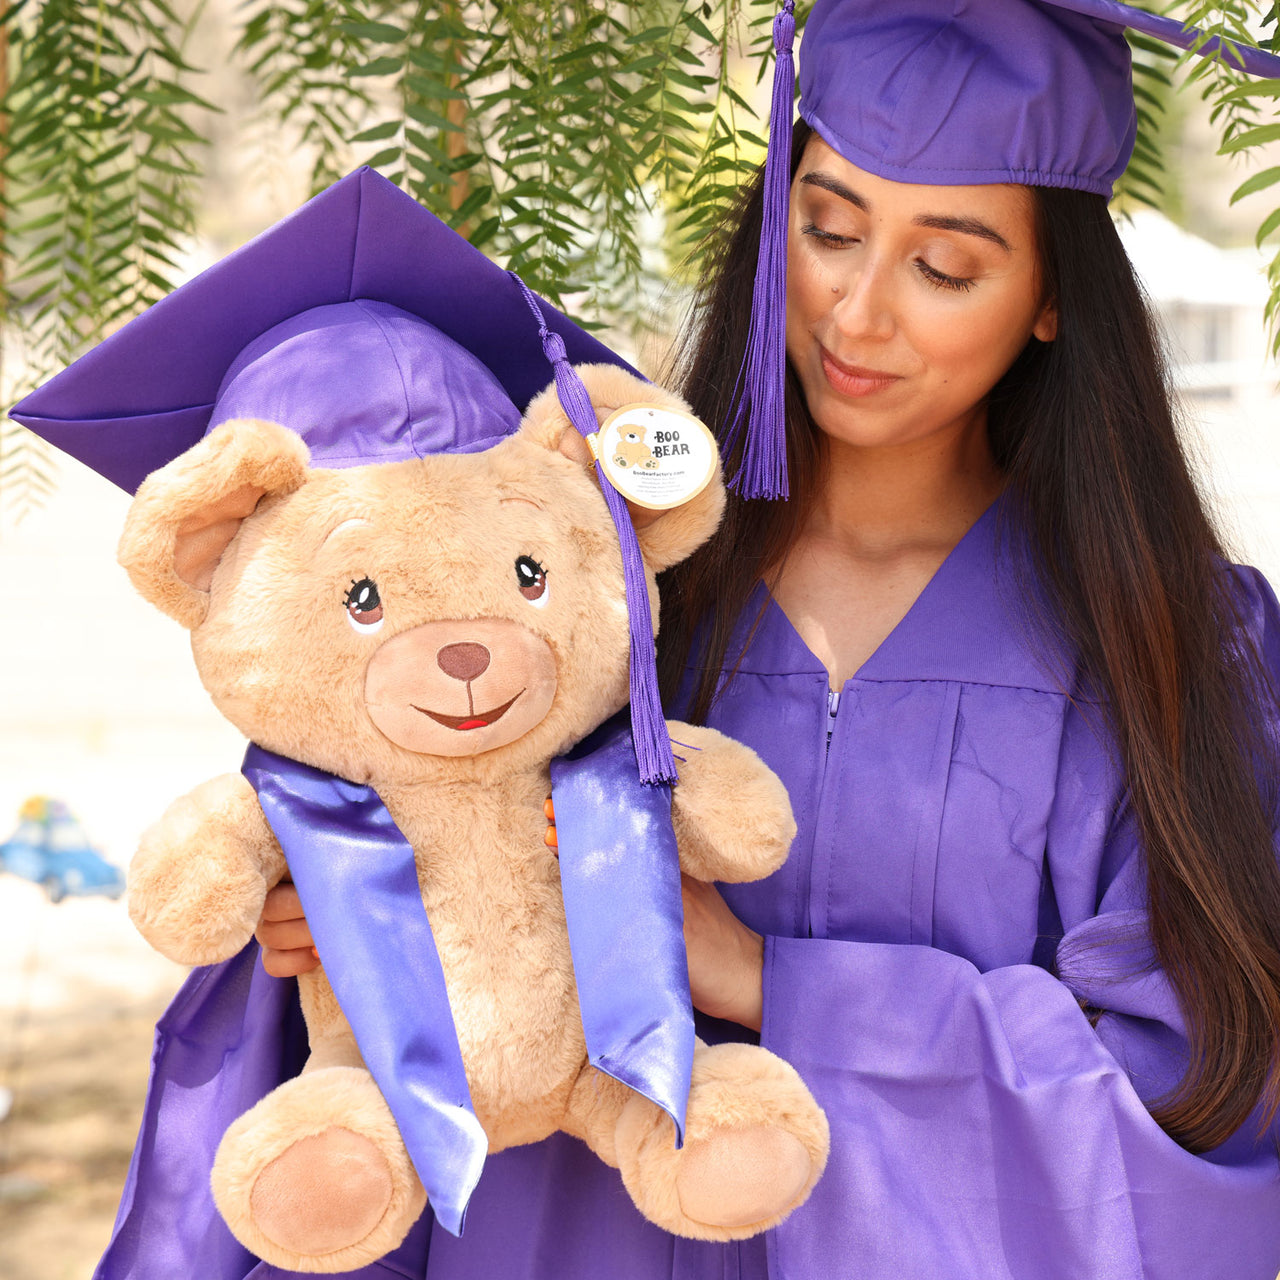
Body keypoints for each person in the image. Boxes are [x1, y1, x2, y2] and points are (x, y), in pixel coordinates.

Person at [250, 2, 1280, 1277]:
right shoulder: (593, 577)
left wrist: (763, 974)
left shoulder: (1165, 643)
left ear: (1052, 301)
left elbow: (1195, 1081)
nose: (853, 313)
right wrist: (350, 901)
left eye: (943, 267)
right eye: (828, 230)